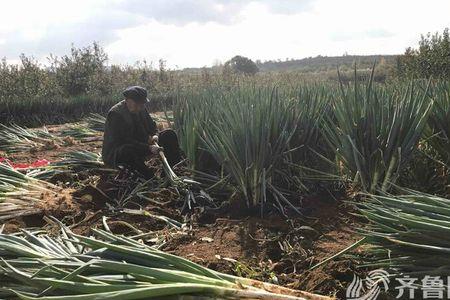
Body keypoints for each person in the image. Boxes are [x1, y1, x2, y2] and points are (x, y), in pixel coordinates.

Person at [101, 86, 181, 179]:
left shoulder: (141, 108)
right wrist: (148, 148)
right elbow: (125, 140)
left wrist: (155, 135)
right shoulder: (116, 114)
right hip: (119, 151)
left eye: (142, 104)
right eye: (137, 104)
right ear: (127, 100)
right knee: (128, 150)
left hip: (142, 145)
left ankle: (170, 170)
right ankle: (148, 177)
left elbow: (151, 125)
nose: (140, 107)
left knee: (169, 134)